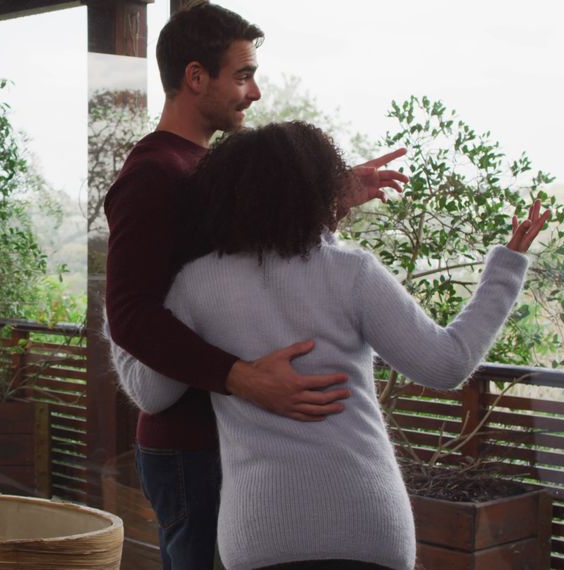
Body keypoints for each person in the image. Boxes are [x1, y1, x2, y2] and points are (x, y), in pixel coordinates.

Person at [109, 121, 551, 570]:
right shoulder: (350, 272)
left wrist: (121, 308)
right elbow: (447, 363)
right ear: (319, 192)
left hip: (261, 536)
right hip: (369, 527)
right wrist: (505, 269)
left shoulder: (197, 284)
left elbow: (153, 393)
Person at [103, 3, 408, 567]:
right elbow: (129, 314)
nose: (256, 93)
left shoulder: (202, 166)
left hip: (233, 436)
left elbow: (255, 260)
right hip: (190, 443)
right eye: (242, 76)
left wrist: (326, 199)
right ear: (196, 77)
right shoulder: (154, 176)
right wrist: (239, 378)